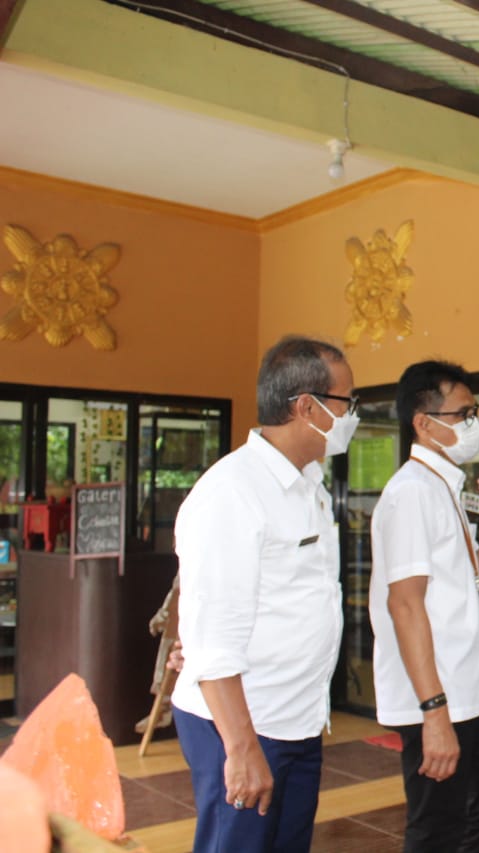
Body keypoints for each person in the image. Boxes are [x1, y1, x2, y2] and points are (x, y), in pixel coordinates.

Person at [171, 335, 358, 853]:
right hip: (243, 724)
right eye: (347, 402)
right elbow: (213, 634)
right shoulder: (232, 491)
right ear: (307, 407)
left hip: (295, 719)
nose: (352, 415)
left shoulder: (309, 485)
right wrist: (241, 747)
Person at [368, 360, 479, 852]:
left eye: (475, 412)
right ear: (424, 423)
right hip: (438, 693)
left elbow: (470, 581)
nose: (474, 424)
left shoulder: (443, 487)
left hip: (468, 690)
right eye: (463, 414)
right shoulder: (412, 493)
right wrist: (433, 712)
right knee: (438, 827)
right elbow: (404, 605)